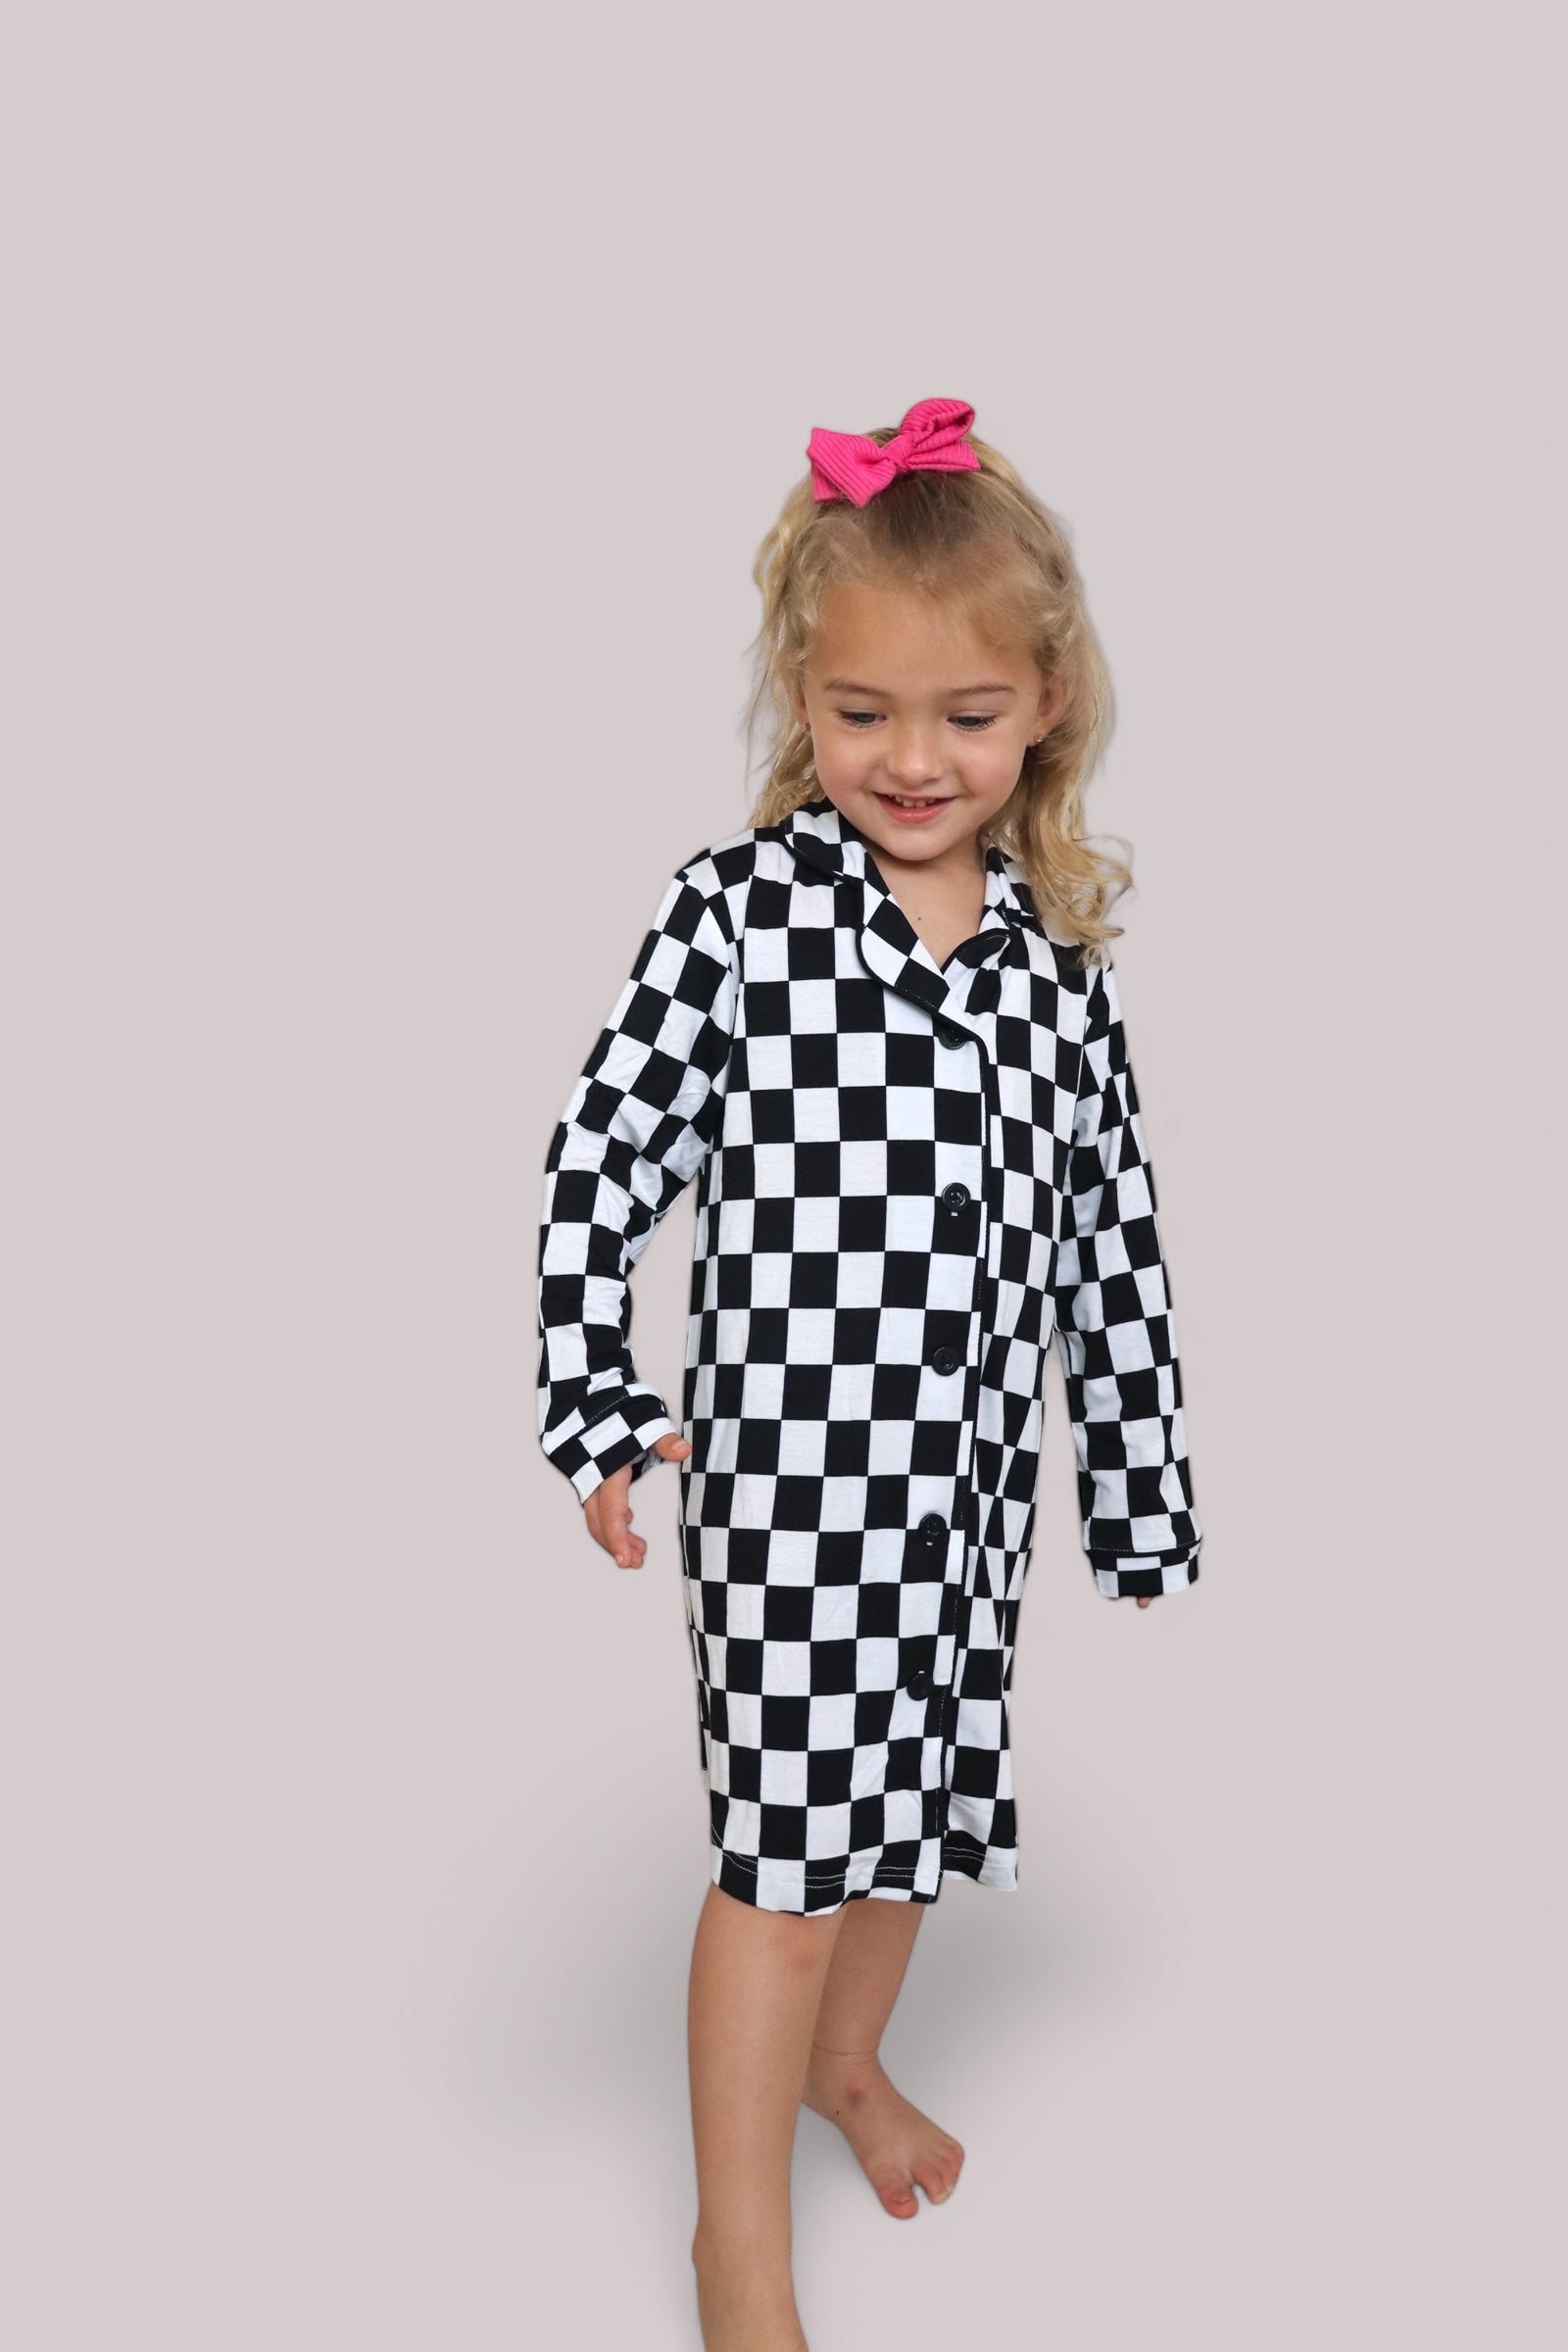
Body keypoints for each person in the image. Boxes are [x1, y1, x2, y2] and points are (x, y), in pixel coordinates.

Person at [536, 395, 1204, 2352]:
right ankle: (733, 2248)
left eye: (965, 716)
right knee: (786, 1860)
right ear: (799, 697)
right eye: (860, 714)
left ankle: (849, 2070)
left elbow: (1112, 1247)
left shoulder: (1056, 970)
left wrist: (1136, 1483)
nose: (912, 761)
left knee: (906, 1816)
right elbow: (599, 1168)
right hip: (792, 1498)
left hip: (964, 1506)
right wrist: (597, 1406)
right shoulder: (736, 923)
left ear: (1046, 704)